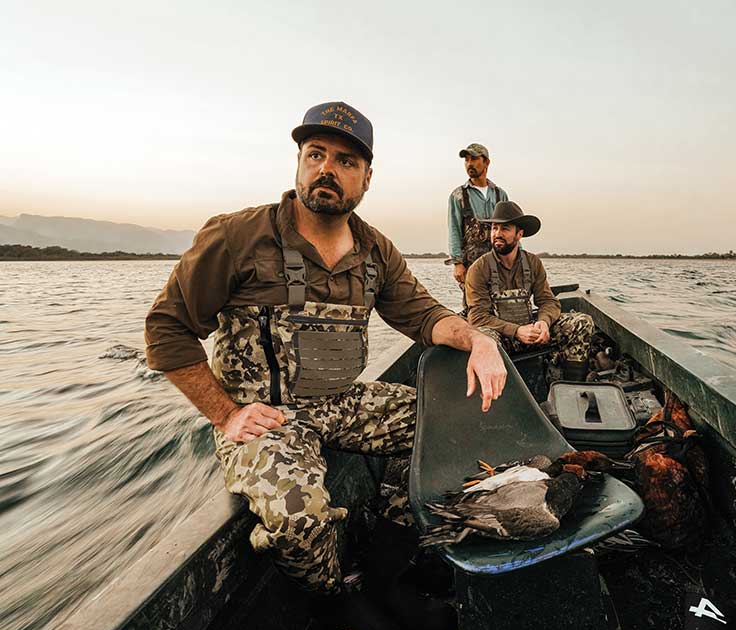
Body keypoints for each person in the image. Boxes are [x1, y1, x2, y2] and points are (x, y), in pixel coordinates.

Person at [144, 101, 506, 594]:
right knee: (297, 518)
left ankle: (396, 541)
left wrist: (479, 339)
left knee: (448, 422)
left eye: (346, 162)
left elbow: (425, 316)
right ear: (299, 161)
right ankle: (336, 599)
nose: (327, 170)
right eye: (316, 155)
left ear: (367, 178)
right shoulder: (237, 236)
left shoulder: (376, 251)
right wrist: (226, 414)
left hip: (341, 402)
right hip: (266, 418)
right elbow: (167, 328)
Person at [464, 201, 594, 381]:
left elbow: (548, 301)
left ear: (519, 234)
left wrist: (543, 323)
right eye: (494, 228)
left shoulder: (533, 263)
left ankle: (570, 388)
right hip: (503, 337)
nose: (497, 234)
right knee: (485, 340)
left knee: (582, 322)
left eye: (505, 229)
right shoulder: (479, 269)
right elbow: (477, 317)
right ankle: (498, 393)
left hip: (531, 331)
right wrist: (517, 331)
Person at [446, 143, 508, 309]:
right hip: (471, 265)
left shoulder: (500, 194)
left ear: (487, 162)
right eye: (466, 160)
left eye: (474, 159)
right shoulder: (458, 195)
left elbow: (510, 228)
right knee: (474, 308)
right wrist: (457, 263)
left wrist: (518, 257)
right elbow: (454, 230)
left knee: (503, 306)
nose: (469, 164)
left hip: (500, 261)